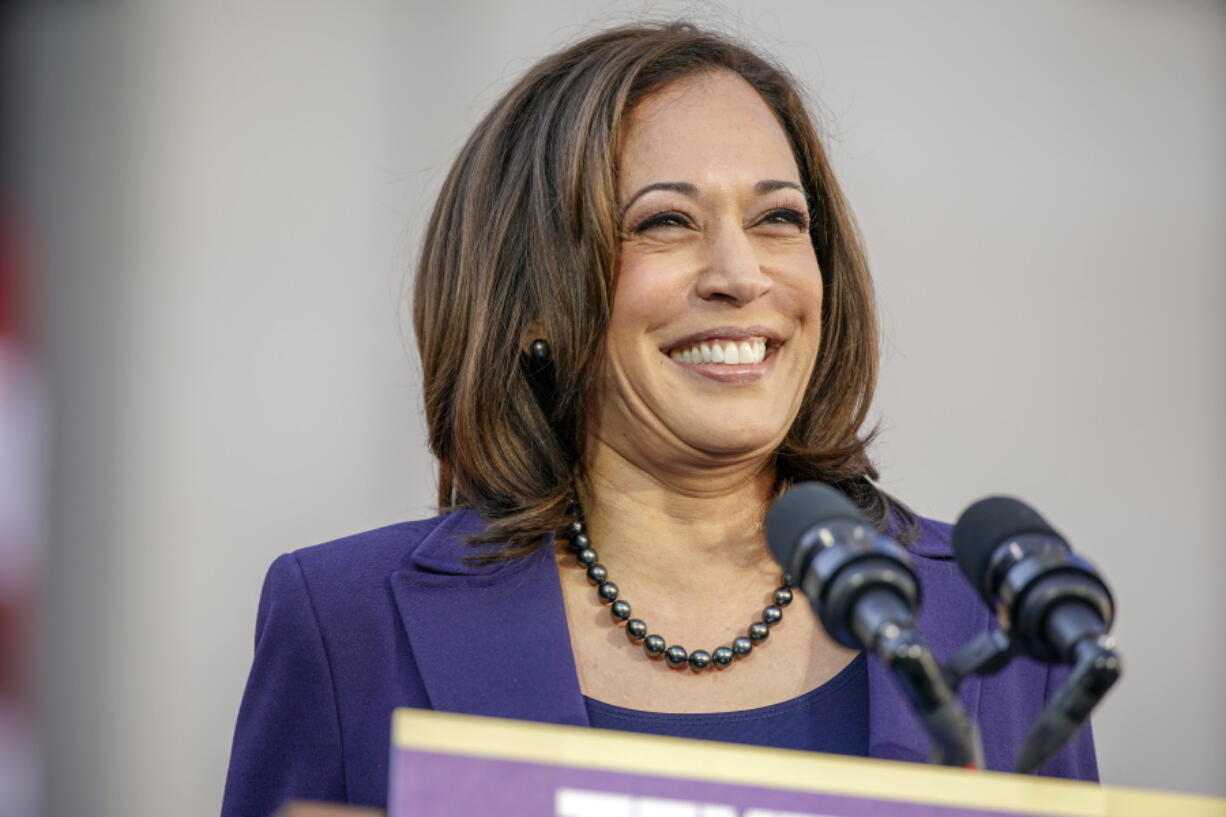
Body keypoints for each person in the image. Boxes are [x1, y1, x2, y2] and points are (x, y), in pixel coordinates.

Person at [221, 22, 1096, 815]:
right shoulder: (345, 623)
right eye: (667, 221)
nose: (740, 274)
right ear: (532, 299)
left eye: (779, 219)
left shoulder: (1003, 622)